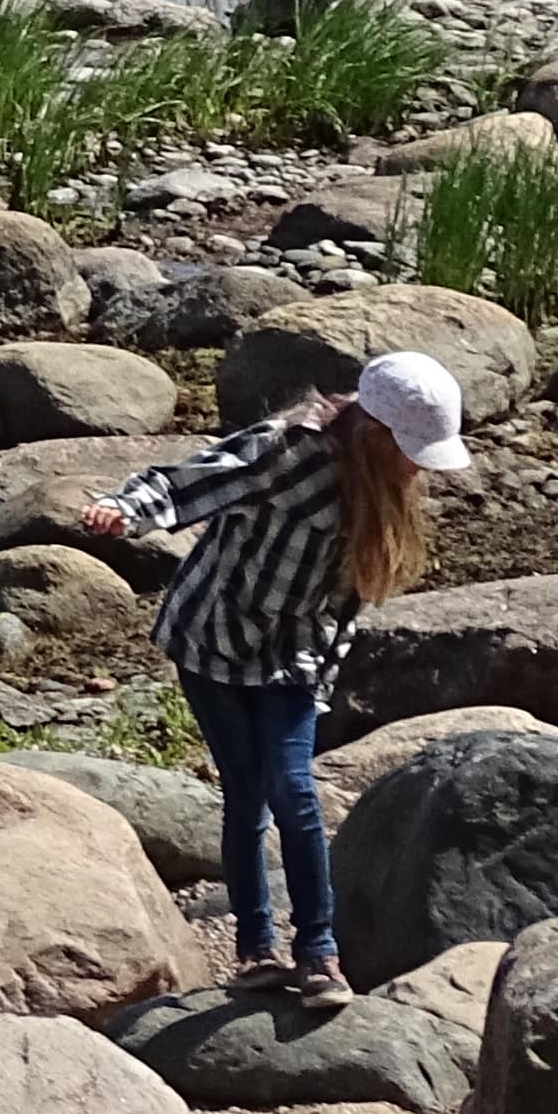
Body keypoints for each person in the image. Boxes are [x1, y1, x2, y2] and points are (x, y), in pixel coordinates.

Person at [78, 348, 469, 1005]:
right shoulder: (287, 451)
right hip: (214, 644)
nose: (419, 467)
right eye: (411, 449)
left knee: (296, 792)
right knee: (247, 794)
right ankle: (256, 947)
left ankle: (319, 952)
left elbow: (346, 607)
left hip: (292, 656)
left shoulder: (386, 492)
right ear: (374, 433)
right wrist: (125, 510)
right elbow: (189, 482)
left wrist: (318, 684)